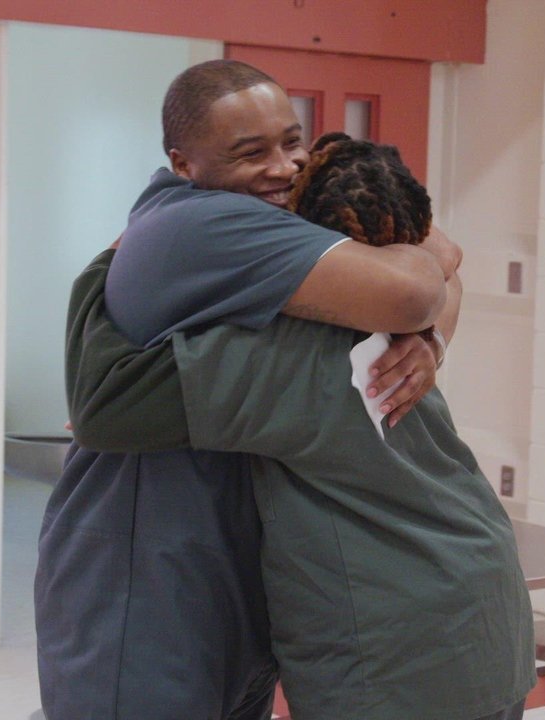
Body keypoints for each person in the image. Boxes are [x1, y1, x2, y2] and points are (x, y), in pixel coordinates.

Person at [35, 60, 456, 720]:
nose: (284, 168)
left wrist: (426, 345)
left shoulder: (258, 215)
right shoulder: (204, 226)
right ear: (184, 163)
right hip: (142, 583)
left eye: (293, 141)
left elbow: (443, 256)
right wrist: (424, 327)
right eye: (249, 152)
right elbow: (418, 286)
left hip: (226, 565)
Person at [75, 132, 536, 720]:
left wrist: (110, 266)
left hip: (397, 660)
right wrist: (434, 331)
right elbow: (444, 257)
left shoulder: (287, 354)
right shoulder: (399, 334)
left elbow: (107, 405)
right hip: (489, 606)